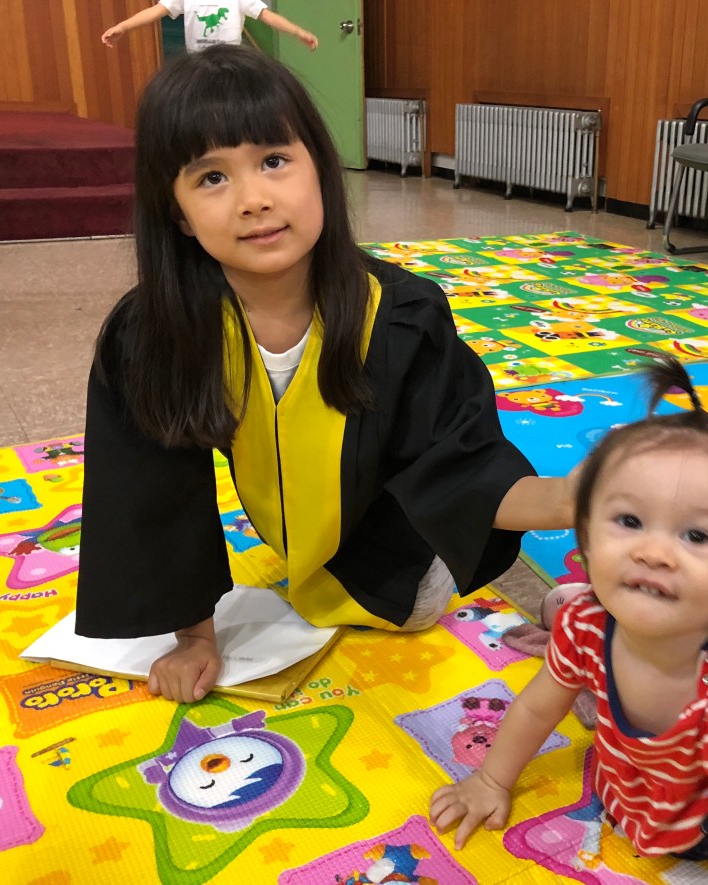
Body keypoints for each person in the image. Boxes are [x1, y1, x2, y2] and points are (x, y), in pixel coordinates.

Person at [75, 45, 574, 704]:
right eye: (212, 177)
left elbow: (459, 464)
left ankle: (571, 603)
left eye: (273, 161)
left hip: (404, 569)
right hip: (296, 552)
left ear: (319, 167)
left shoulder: (399, 315)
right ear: (177, 213)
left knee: (434, 599)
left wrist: (577, 502)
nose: (254, 200)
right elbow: (151, 493)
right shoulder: (154, 335)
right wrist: (194, 636)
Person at [430, 357, 708, 884]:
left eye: (697, 536)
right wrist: (491, 780)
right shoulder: (586, 621)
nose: (654, 552)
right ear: (586, 540)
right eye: (630, 521)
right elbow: (539, 706)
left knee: (695, 840)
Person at [102, 1, 318, 53]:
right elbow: (156, 11)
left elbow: (266, 16)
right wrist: (123, 26)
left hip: (230, 59)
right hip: (199, 60)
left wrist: (297, 31)